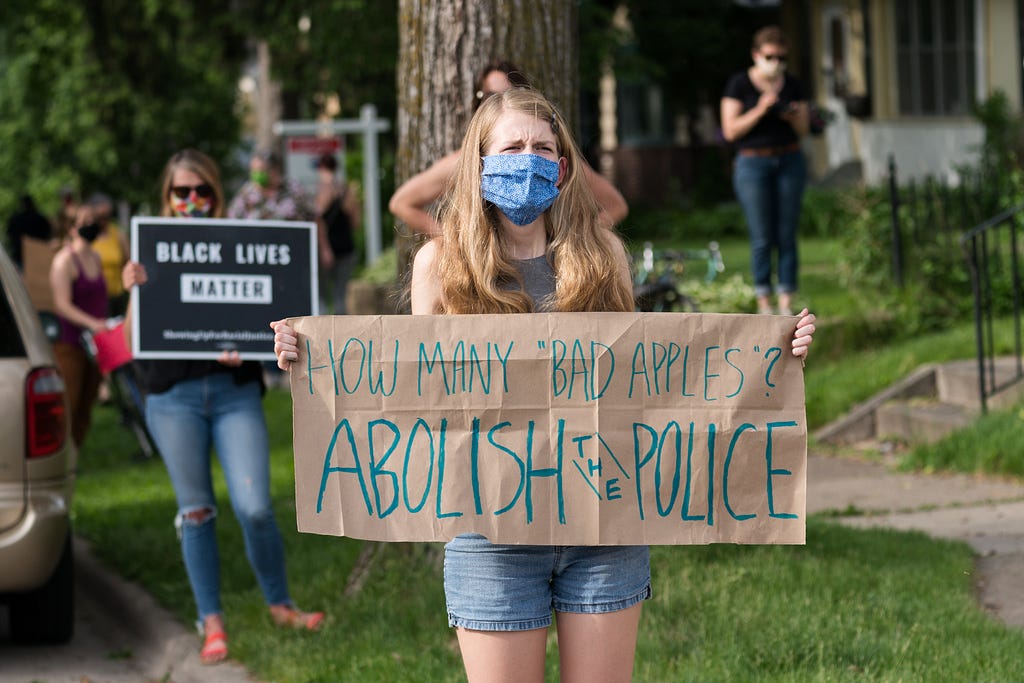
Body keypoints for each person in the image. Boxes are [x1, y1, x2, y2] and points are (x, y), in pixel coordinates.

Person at [274, 88, 817, 682]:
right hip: (490, 533)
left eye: (543, 149)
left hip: (602, 526)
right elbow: (410, 389)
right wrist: (313, 360)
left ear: (562, 169)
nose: (528, 160)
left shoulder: (602, 254)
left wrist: (775, 354)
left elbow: (649, 381)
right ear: (480, 163)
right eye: (512, 147)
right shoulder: (440, 266)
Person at [122, 149, 324, 666]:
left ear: (215, 193)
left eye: (201, 191)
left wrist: (255, 342)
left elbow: (274, 309)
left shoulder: (243, 243)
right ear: (166, 199)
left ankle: (280, 604)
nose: (192, 201)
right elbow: (130, 340)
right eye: (181, 193)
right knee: (196, 511)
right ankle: (211, 621)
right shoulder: (151, 253)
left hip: (234, 391)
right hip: (172, 397)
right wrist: (132, 292)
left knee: (255, 506)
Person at [388, 60, 629, 236]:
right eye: (490, 95)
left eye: (514, 93)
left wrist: (575, 240)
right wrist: (451, 240)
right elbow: (402, 202)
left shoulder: (551, 161)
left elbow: (615, 205)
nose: (503, 101)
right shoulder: (461, 162)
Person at [720, 25, 810, 316]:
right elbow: (730, 130)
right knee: (762, 235)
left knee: (786, 233)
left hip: (789, 161)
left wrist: (791, 114)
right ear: (756, 54)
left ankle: (786, 302)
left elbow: (804, 130)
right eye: (770, 57)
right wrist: (761, 108)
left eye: (782, 58)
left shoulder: (793, 84)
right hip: (752, 163)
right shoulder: (739, 84)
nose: (776, 64)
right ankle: (764, 303)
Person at [49, 204, 108, 448]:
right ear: (72, 227)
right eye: (85, 221)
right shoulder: (64, 261)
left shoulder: (96, 257)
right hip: (70, 343)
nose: (91, 225)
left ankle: (76, 452)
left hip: (95, 344)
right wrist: (91, 323)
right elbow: (61, 304)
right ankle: (60, 454)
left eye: (93, 219)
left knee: (87, 402)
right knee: (69, 404)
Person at [314, 152, 361, 314]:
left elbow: (317, 218)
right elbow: (356, 223)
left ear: (320, 168)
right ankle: (342, 335)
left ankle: (321, 335)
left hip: (324, 250)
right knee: (340, 296)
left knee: (320, 296)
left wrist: (324, 248)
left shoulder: (321, 190)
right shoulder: (347, 191)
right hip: (346, 248)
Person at [88, 192, 130, 317]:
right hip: (93, 298)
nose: (103, 220)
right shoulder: (87, 236)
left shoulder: (118, 235)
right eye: (99, 216)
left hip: (117, 298)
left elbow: (128, 261)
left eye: (106, 216)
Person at [6, 194, 53, 269]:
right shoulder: (39, 218)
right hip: (35, 254)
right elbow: (49, 234)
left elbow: (9, 235)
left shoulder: (15, 219)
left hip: (22, 255)